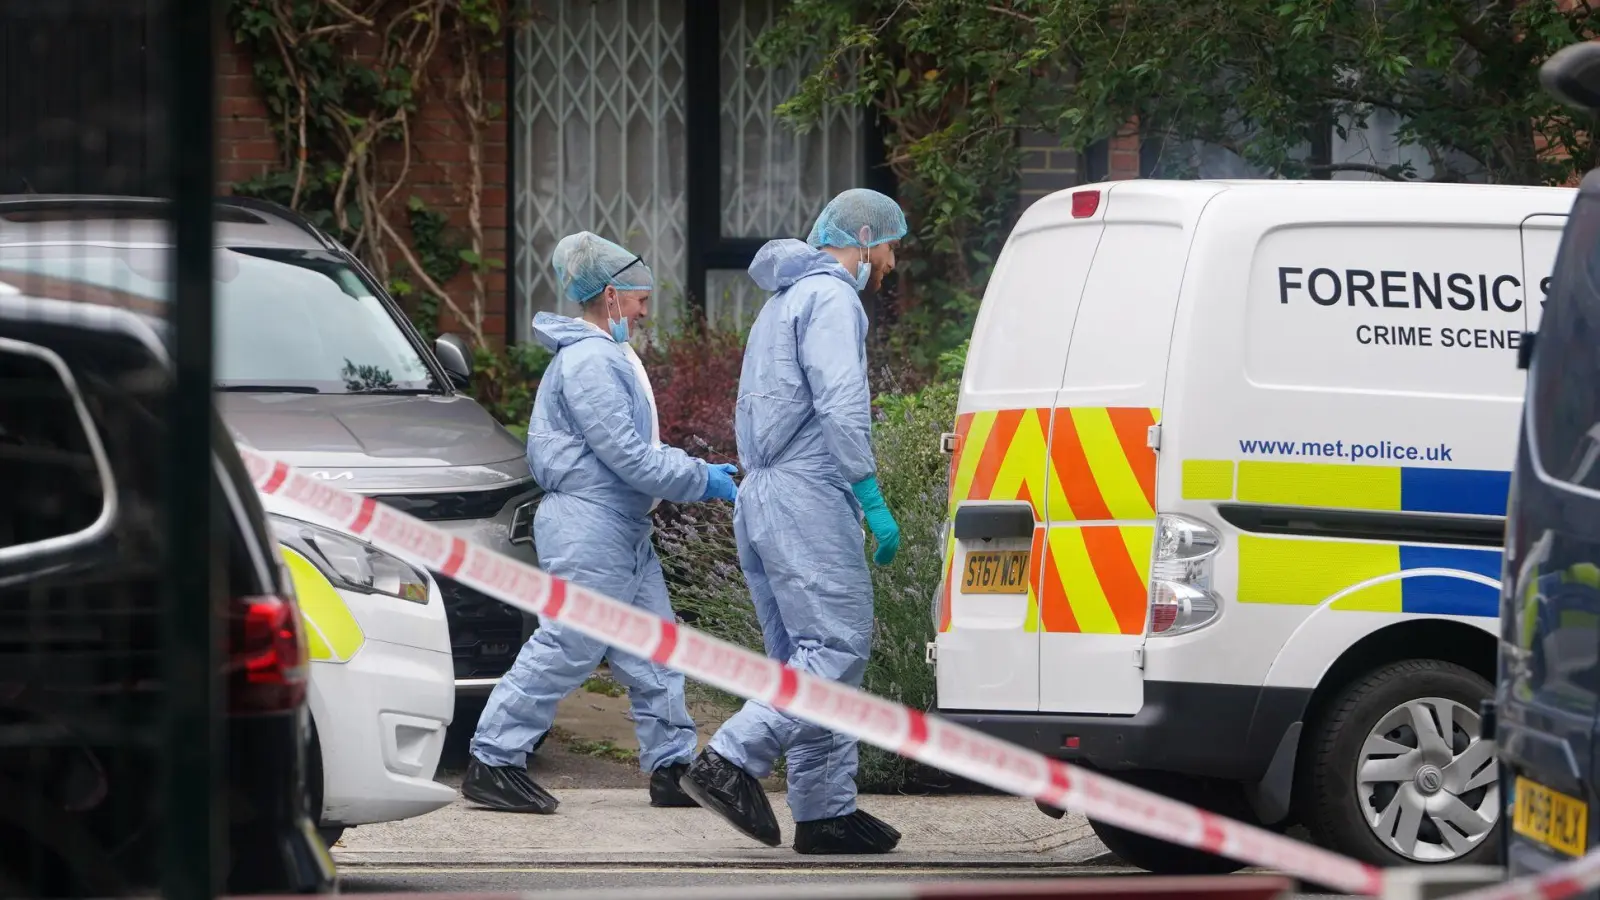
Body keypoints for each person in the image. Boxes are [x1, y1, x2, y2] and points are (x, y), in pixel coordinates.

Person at [463, 231, 740, 813]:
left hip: (619, 527)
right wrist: (702, 478)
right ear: (611, 296)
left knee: (656, 646)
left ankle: (671, 767)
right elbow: (631, 456)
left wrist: (696, 475)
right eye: (639, 300)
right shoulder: (590, 361)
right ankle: (492, 759)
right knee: (569, 641)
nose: (644, 312)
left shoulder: (607, 354)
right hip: (590, 525)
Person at [678, 189, 906, 854]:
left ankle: (824, 810)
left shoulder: (781, 302)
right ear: (863, 237)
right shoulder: (833, 297)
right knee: (835, 649)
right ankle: (729, 759)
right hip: (807, 494)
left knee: (802, 658)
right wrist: (869, 493)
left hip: (764, 497)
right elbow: (840, 402)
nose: (890, 262)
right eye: (889, 246)